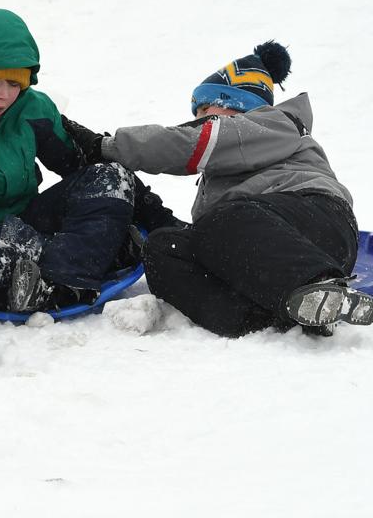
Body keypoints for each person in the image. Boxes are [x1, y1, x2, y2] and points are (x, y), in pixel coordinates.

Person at [0, 8, 180, 314]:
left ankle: (61, 283)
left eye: (15, 84)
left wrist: (161, 222)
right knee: (5, 250)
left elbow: (80, 168)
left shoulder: (31, 109)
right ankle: (101, 256)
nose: (5, 95)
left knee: (110, 177)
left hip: (23, 221)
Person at [68, 41, 371, 336]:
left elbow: (188, 143)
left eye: (204, 110)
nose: (198, 120)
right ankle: (275, 317)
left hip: (316, 220)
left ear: (236, 104)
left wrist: (104, 147)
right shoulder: (224, 180)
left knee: (222, 220)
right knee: (164, 249)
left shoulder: (270, 124)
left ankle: (324, 287)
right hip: (265, 246)